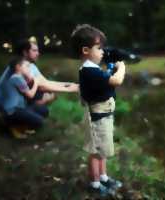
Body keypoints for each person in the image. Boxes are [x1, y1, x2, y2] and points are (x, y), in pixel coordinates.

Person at [71, 24, 126, 196]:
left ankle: (103, 177)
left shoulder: (92, 69)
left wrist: (110, 68)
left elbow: (105, 78)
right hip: (97, 117)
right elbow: (115, 81)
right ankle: (95, 185)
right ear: (86, 50)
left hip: (103, 115)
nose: (102, 51)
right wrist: (122, 67)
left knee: (102, 149)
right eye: (99, 48)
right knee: (96, 151)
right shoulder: (89, 71)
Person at [0, 39, 79, 138]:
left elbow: (44, 82)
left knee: (44, 109)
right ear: (25, 52)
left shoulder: (20, 64)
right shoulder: (23, 67)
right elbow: (43, 85)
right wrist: (71, 88)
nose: (38, 53)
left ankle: (19, 122)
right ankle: (12, 124)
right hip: (9, 108)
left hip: (12, 105)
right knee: (44, 97)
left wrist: (70, 85)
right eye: (34, 50)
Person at [0, 57, 47, 138]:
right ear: (18, 67)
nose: (29, 68)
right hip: (12, 110)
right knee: (39, 121)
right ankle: (12, 125)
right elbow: (30, 95)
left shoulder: (18, 78)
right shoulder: (16, 78)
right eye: (26, 66)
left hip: (20, 107)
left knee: (43, 110)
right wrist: (36, 82)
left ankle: (21, 125)